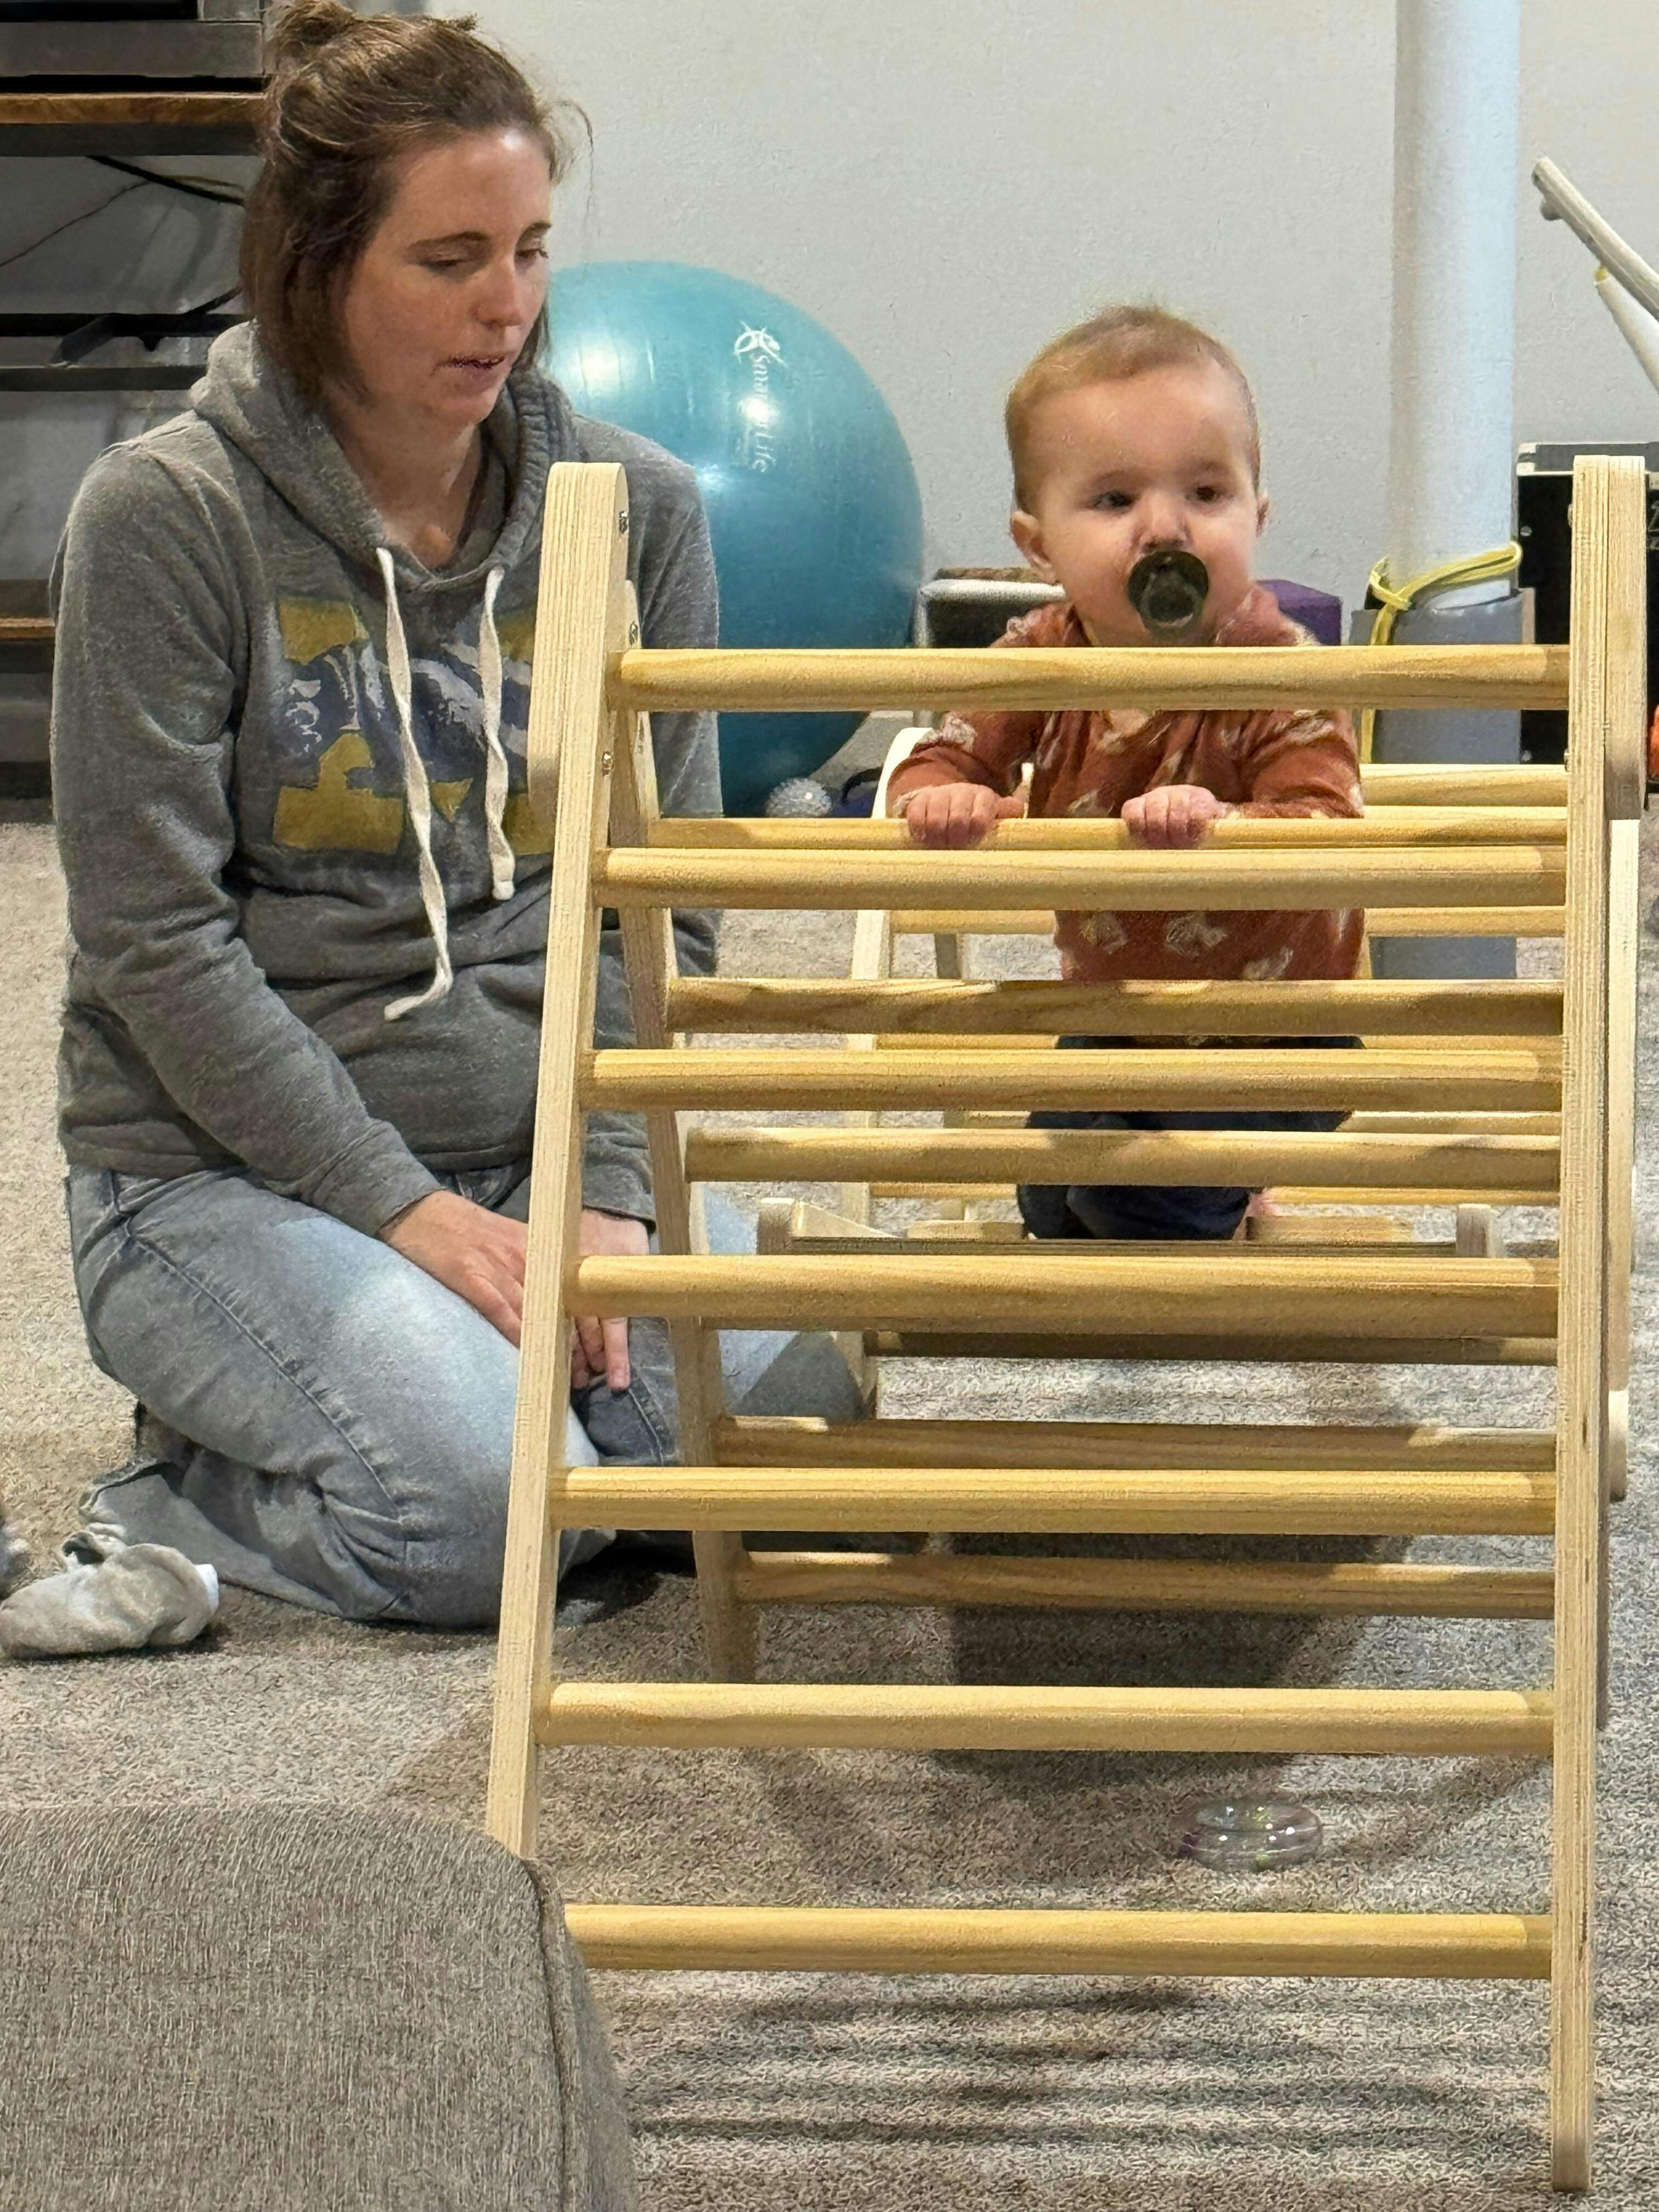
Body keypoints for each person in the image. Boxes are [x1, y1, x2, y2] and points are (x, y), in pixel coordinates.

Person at [44, 1, 860, 1636]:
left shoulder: (636, 510)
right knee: (491, 1523)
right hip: (220, 1181)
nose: (509, 306)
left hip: (539, 1152)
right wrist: (412, 1216)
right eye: (451, 259)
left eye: (533, 250)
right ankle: (176, 1483)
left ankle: (453, 1409)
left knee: (800, 1444)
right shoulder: (166, 516)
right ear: (316, 269)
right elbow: (155, 942)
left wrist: (610, 1188)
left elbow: (658, 902)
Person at [886, 304, 1364, 1243]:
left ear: (1257, 516)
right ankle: (1208, 1187)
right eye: (1114, 501)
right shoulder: (1044, 655)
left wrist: (1224, 824)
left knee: (1140, 1207)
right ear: (1038, 545)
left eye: (1206, 493)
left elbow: (1326, 821)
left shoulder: (1280, 670)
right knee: (1046, 1196)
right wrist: (943, 795)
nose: (1165, 529)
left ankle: (1230, 1188)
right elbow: (942, 756)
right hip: (1116, 1014)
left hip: (1274, 1033)